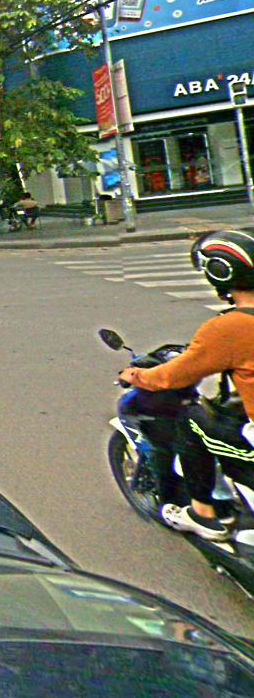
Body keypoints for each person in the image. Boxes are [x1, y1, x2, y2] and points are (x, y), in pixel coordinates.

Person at [118, 230, 254, 541]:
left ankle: (203, 514)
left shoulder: (230, 327)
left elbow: (173, 377)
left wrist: (135, 376)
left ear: (218, 274)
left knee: (191, 419)